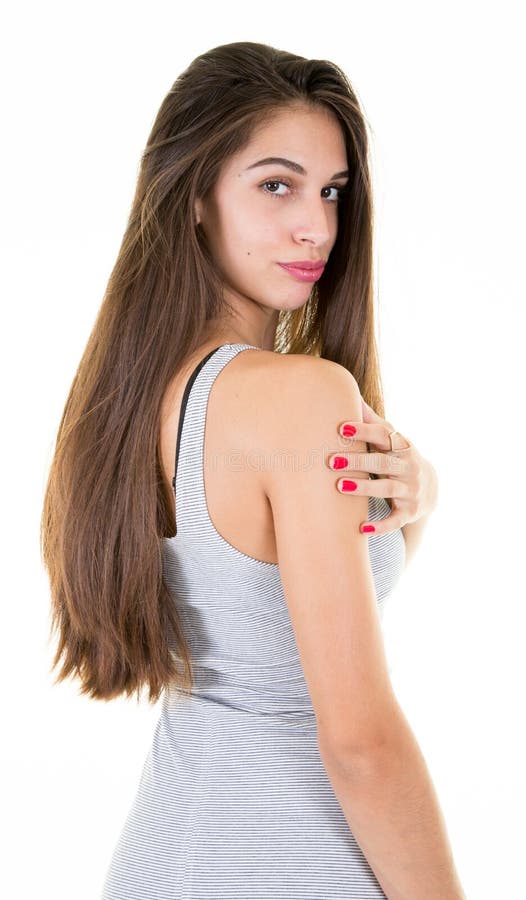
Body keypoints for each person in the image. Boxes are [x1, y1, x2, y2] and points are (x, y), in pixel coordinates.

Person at [40, 41, 465, 899]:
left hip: (173, 851)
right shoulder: (298, 396)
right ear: (195, 196)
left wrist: (418, 502)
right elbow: (358, 740)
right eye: (277, 184)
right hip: (276, 863)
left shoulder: (136, 397)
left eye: (332, 191)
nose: (317, 224)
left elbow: (263, 625)